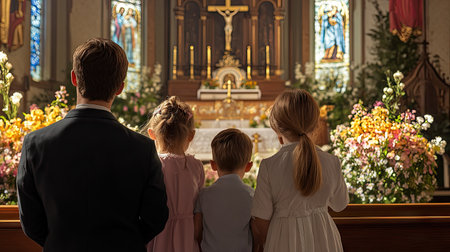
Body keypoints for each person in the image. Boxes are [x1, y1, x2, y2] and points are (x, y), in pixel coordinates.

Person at [16, 38, 168, 252]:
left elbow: (31, 221)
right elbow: (156, 217)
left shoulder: (36, 144)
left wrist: (61, 243)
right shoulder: (142, 148)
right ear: (120, 88)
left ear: (74, 79)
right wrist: (126, 242)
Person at [251, 90, 349, 252]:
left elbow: (261, 220)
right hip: (324, 238)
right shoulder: (332, 162)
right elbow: (340, 204)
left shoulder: (270, 166)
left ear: (277, 128)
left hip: (283, 239)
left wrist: (273, 241)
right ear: (315, 124)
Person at [144, 96, 205, 252]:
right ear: (191, 136)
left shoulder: (150, 165)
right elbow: (199, 210)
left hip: (156, 234)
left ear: (152, 134)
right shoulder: (196, 166)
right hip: (187, 236)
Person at [194, 128, 254, 252]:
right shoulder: (252, 195)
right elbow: (256, 233)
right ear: (248, 166)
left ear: (213, 164)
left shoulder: (204, 195)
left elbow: (197, 232)